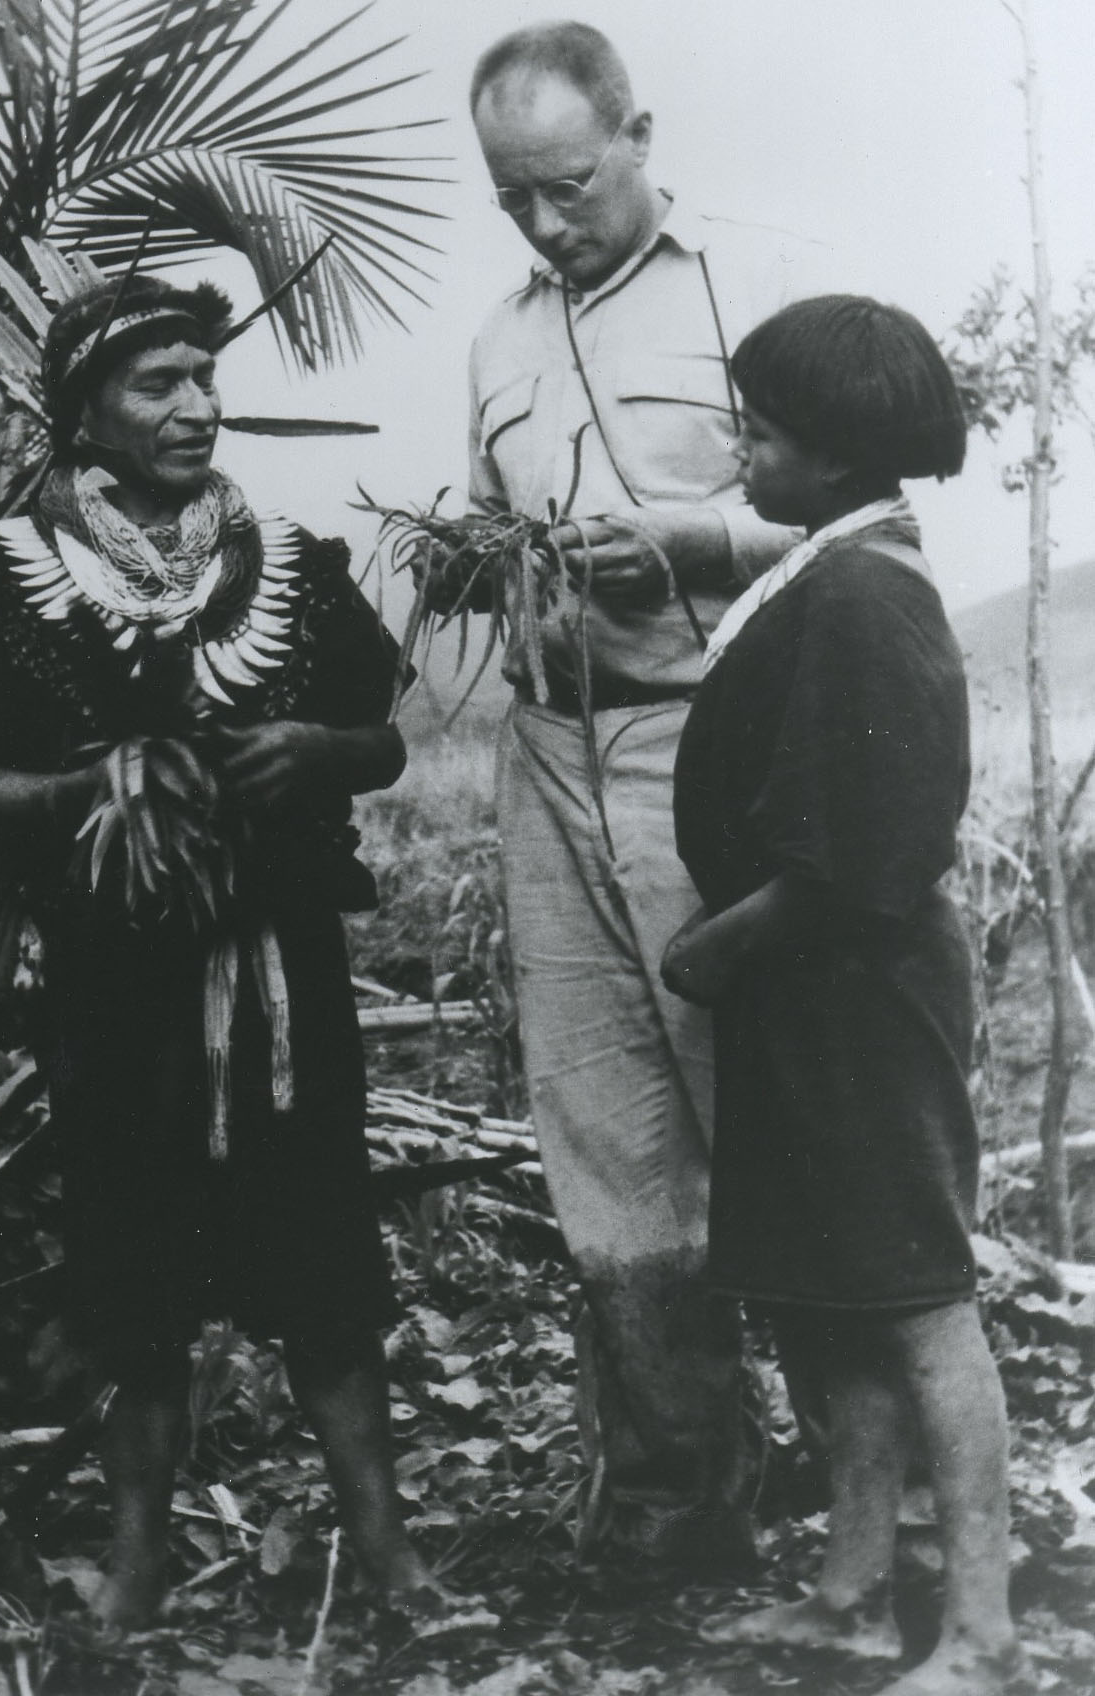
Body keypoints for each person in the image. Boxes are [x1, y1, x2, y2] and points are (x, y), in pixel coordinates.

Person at [0, 274, 438, 1632]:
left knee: (318, 1246)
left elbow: (378, 739)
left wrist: (318, 752)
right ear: (85, 408)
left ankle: (389, 1559)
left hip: (280, 978)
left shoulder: (292, 572)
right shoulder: (9, 589)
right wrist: (44, 805)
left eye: (204, 375)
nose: (197, 405)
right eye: (159, 383)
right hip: (112, 987)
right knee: (128, 1258)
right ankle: (139, 1565)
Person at [435, 20, 824, 1562]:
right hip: (548, 753)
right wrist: (473, 562)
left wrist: (692, 535)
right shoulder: (496, 340)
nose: (543, 224)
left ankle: (863, 1493)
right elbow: (479, 523)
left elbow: (863, 507)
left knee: (761, 1111)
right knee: (598, 1139)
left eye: (569, 187)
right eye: (512, 199)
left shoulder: (755, 284)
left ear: (640, 134)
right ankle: (670, 1511)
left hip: (704, 747)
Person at [663, 296, 1017, 1696]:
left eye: (758, 430)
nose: (739, 450)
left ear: (830, 454)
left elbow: (871, 844)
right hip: (807, 996)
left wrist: (718, 946)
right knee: (829, 1294)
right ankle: (850, 1591)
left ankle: (983, 1633)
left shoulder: (867, 594)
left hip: (855, 990)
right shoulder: (829, 567)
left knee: (917, 1295)